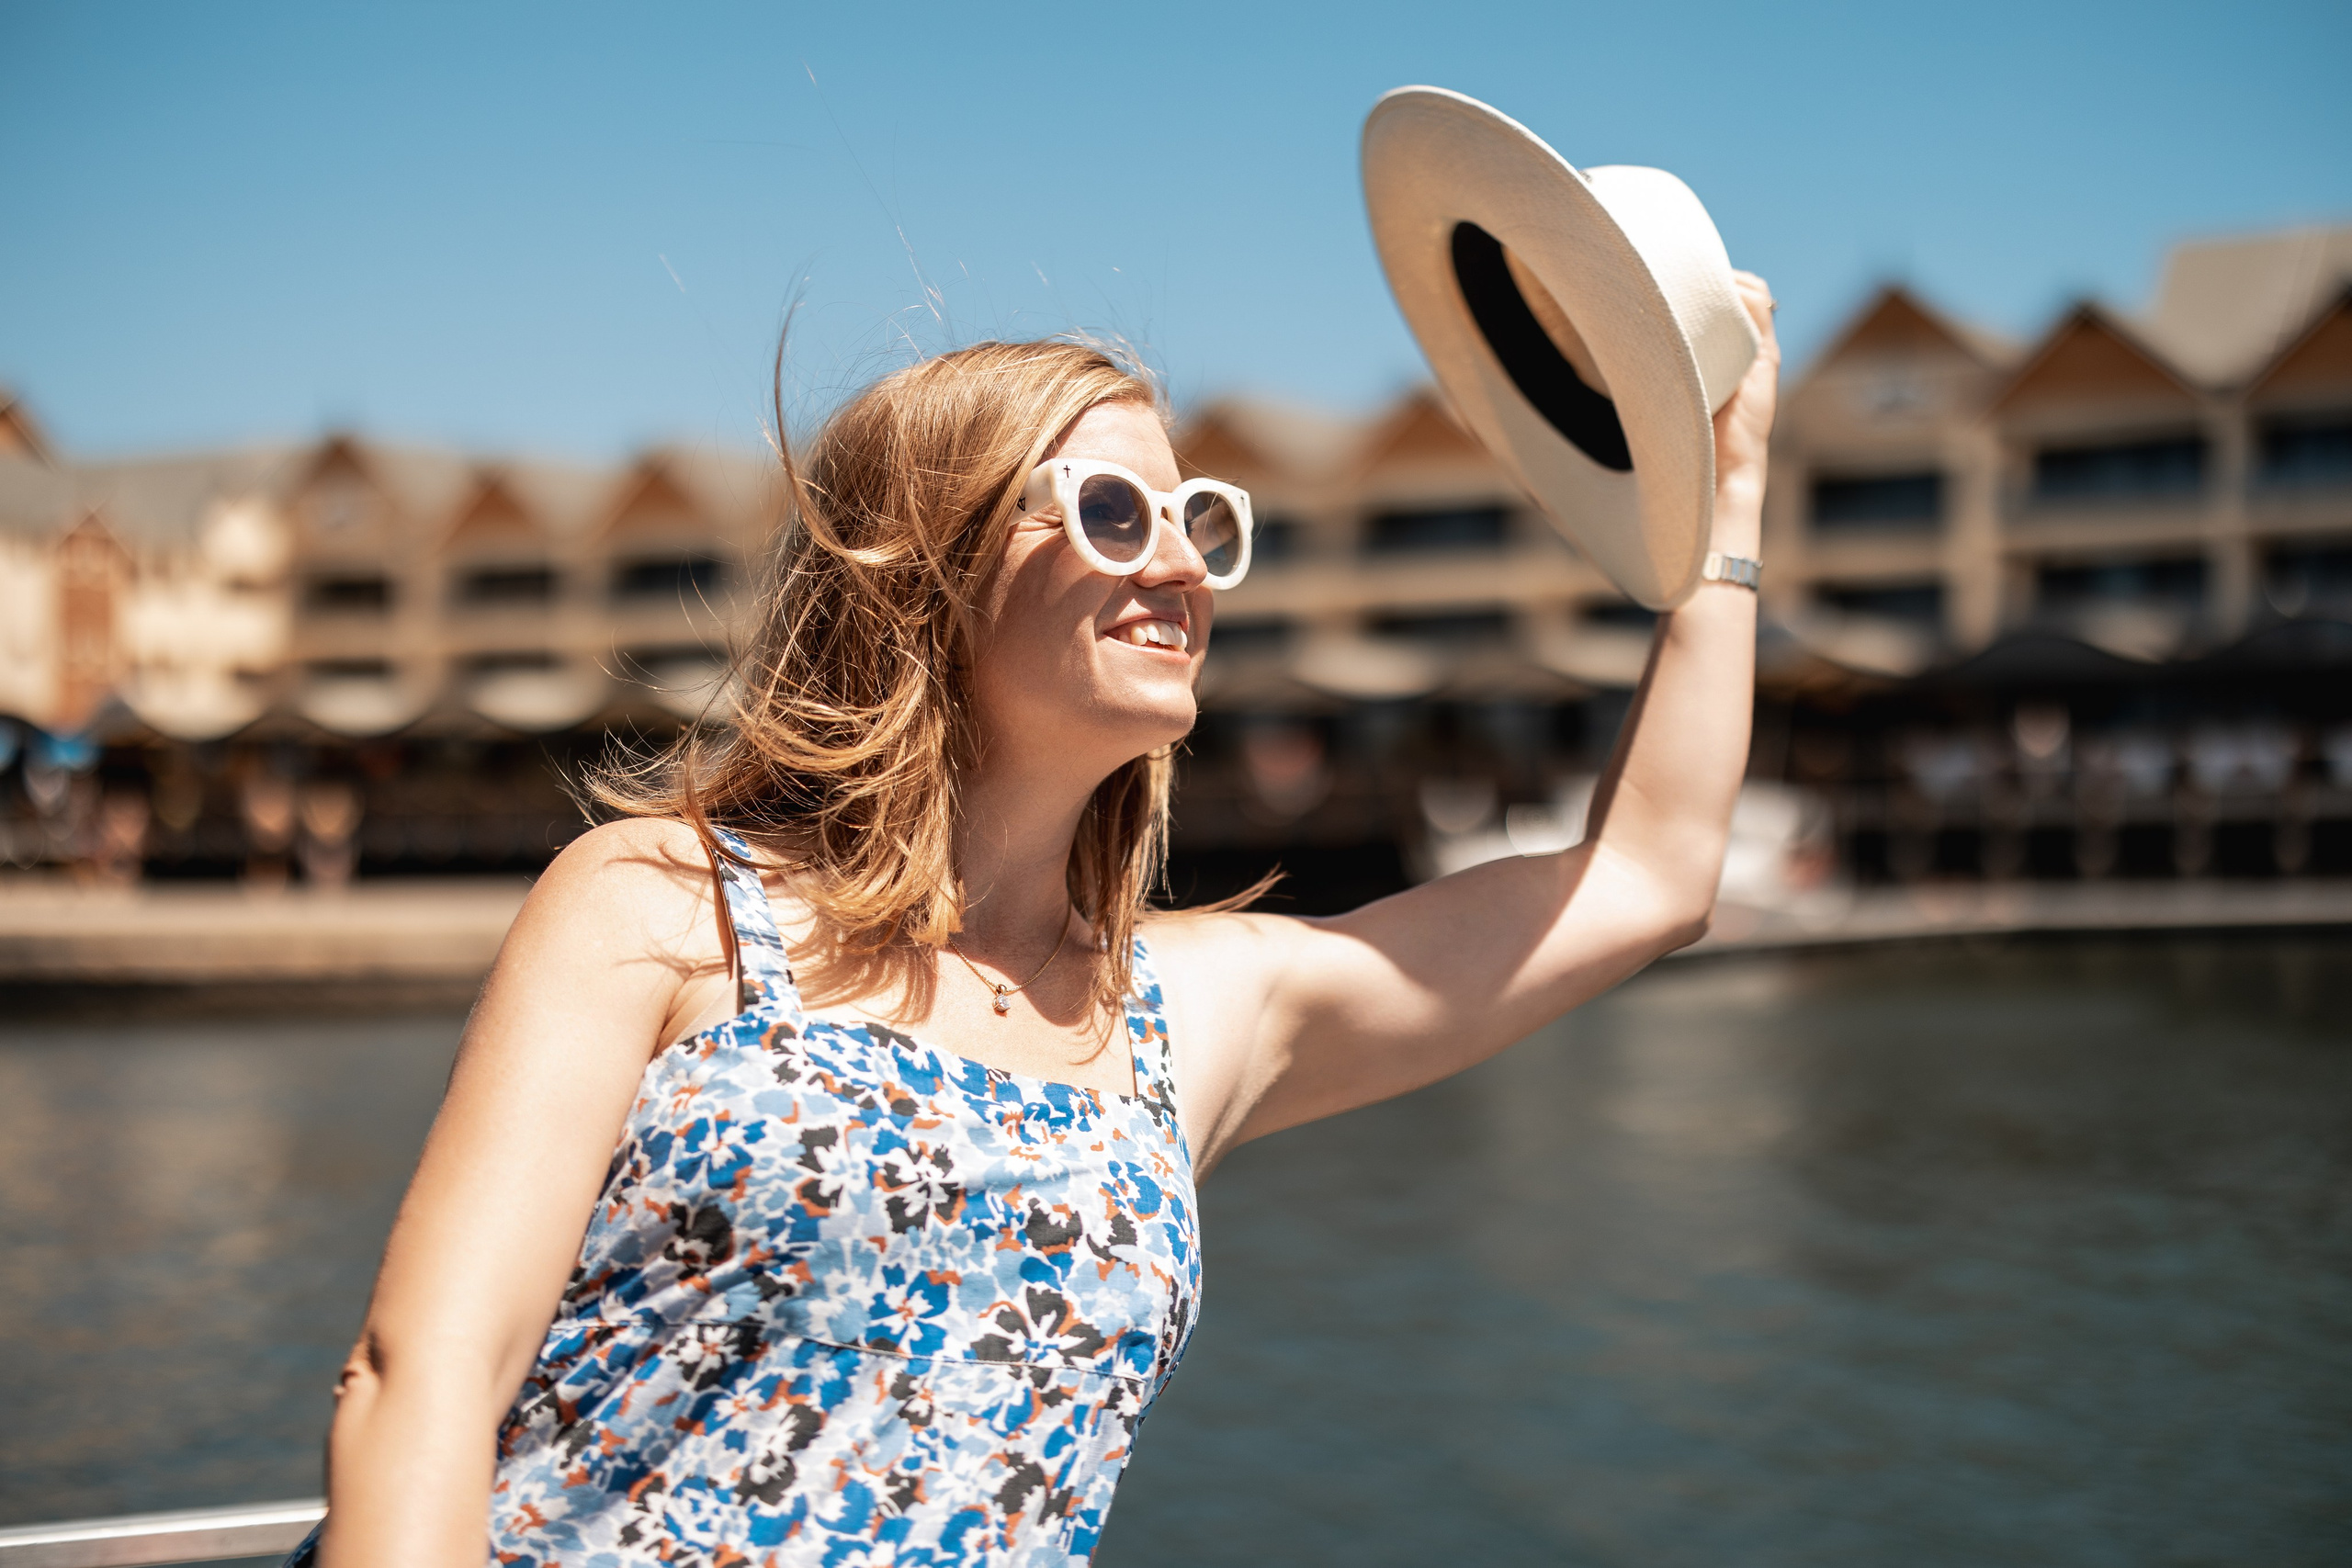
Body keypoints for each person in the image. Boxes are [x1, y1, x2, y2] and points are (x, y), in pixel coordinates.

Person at [311, 273, 1778, 1567]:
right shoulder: (667, 909)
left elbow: (1651, 878)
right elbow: (421, 1378)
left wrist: (1727, 500)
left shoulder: (1186, 1018)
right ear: (928, 568)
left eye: (1204, 521)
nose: (1184, 564)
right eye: (1117, 512)